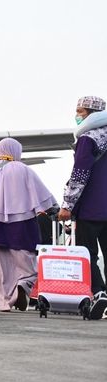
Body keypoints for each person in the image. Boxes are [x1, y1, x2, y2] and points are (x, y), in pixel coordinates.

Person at [0, 138, 58, 312]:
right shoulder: (25, 169)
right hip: (22, 222)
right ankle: (23, 284)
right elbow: (44, 197)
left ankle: (4, 302)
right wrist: (56, 210)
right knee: (27, 262)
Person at [58, 96, 107, 319]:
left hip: (91, 208)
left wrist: (67, 205)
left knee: (87, 253)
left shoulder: (88, 139)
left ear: (92, 113)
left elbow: (80, 174)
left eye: (80, 111)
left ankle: (99, 292)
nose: (77, 115)